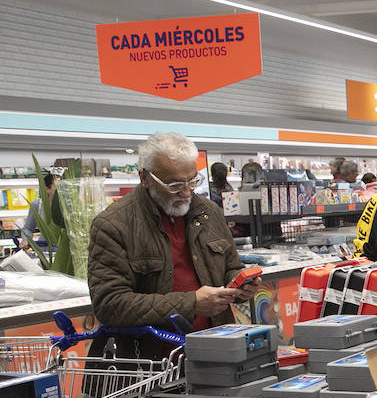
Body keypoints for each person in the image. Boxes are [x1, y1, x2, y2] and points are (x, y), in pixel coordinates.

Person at [88, 132, 256, 350]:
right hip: (154, 364)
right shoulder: (114, 225)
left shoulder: (209, 212)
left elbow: (230, 268)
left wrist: (240, 285)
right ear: (145, 178)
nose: (186, 192)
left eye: (192, 180)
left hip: (217, 352)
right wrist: (191, 304)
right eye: (174, 185)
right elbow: (110, 305)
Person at [22, 172, 56, 240]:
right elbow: (28, 228)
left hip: (66, 249)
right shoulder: (37, 204)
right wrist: (26, 240)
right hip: (46, 248)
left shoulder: (68, 206)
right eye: (58, 186)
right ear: (47, 189)